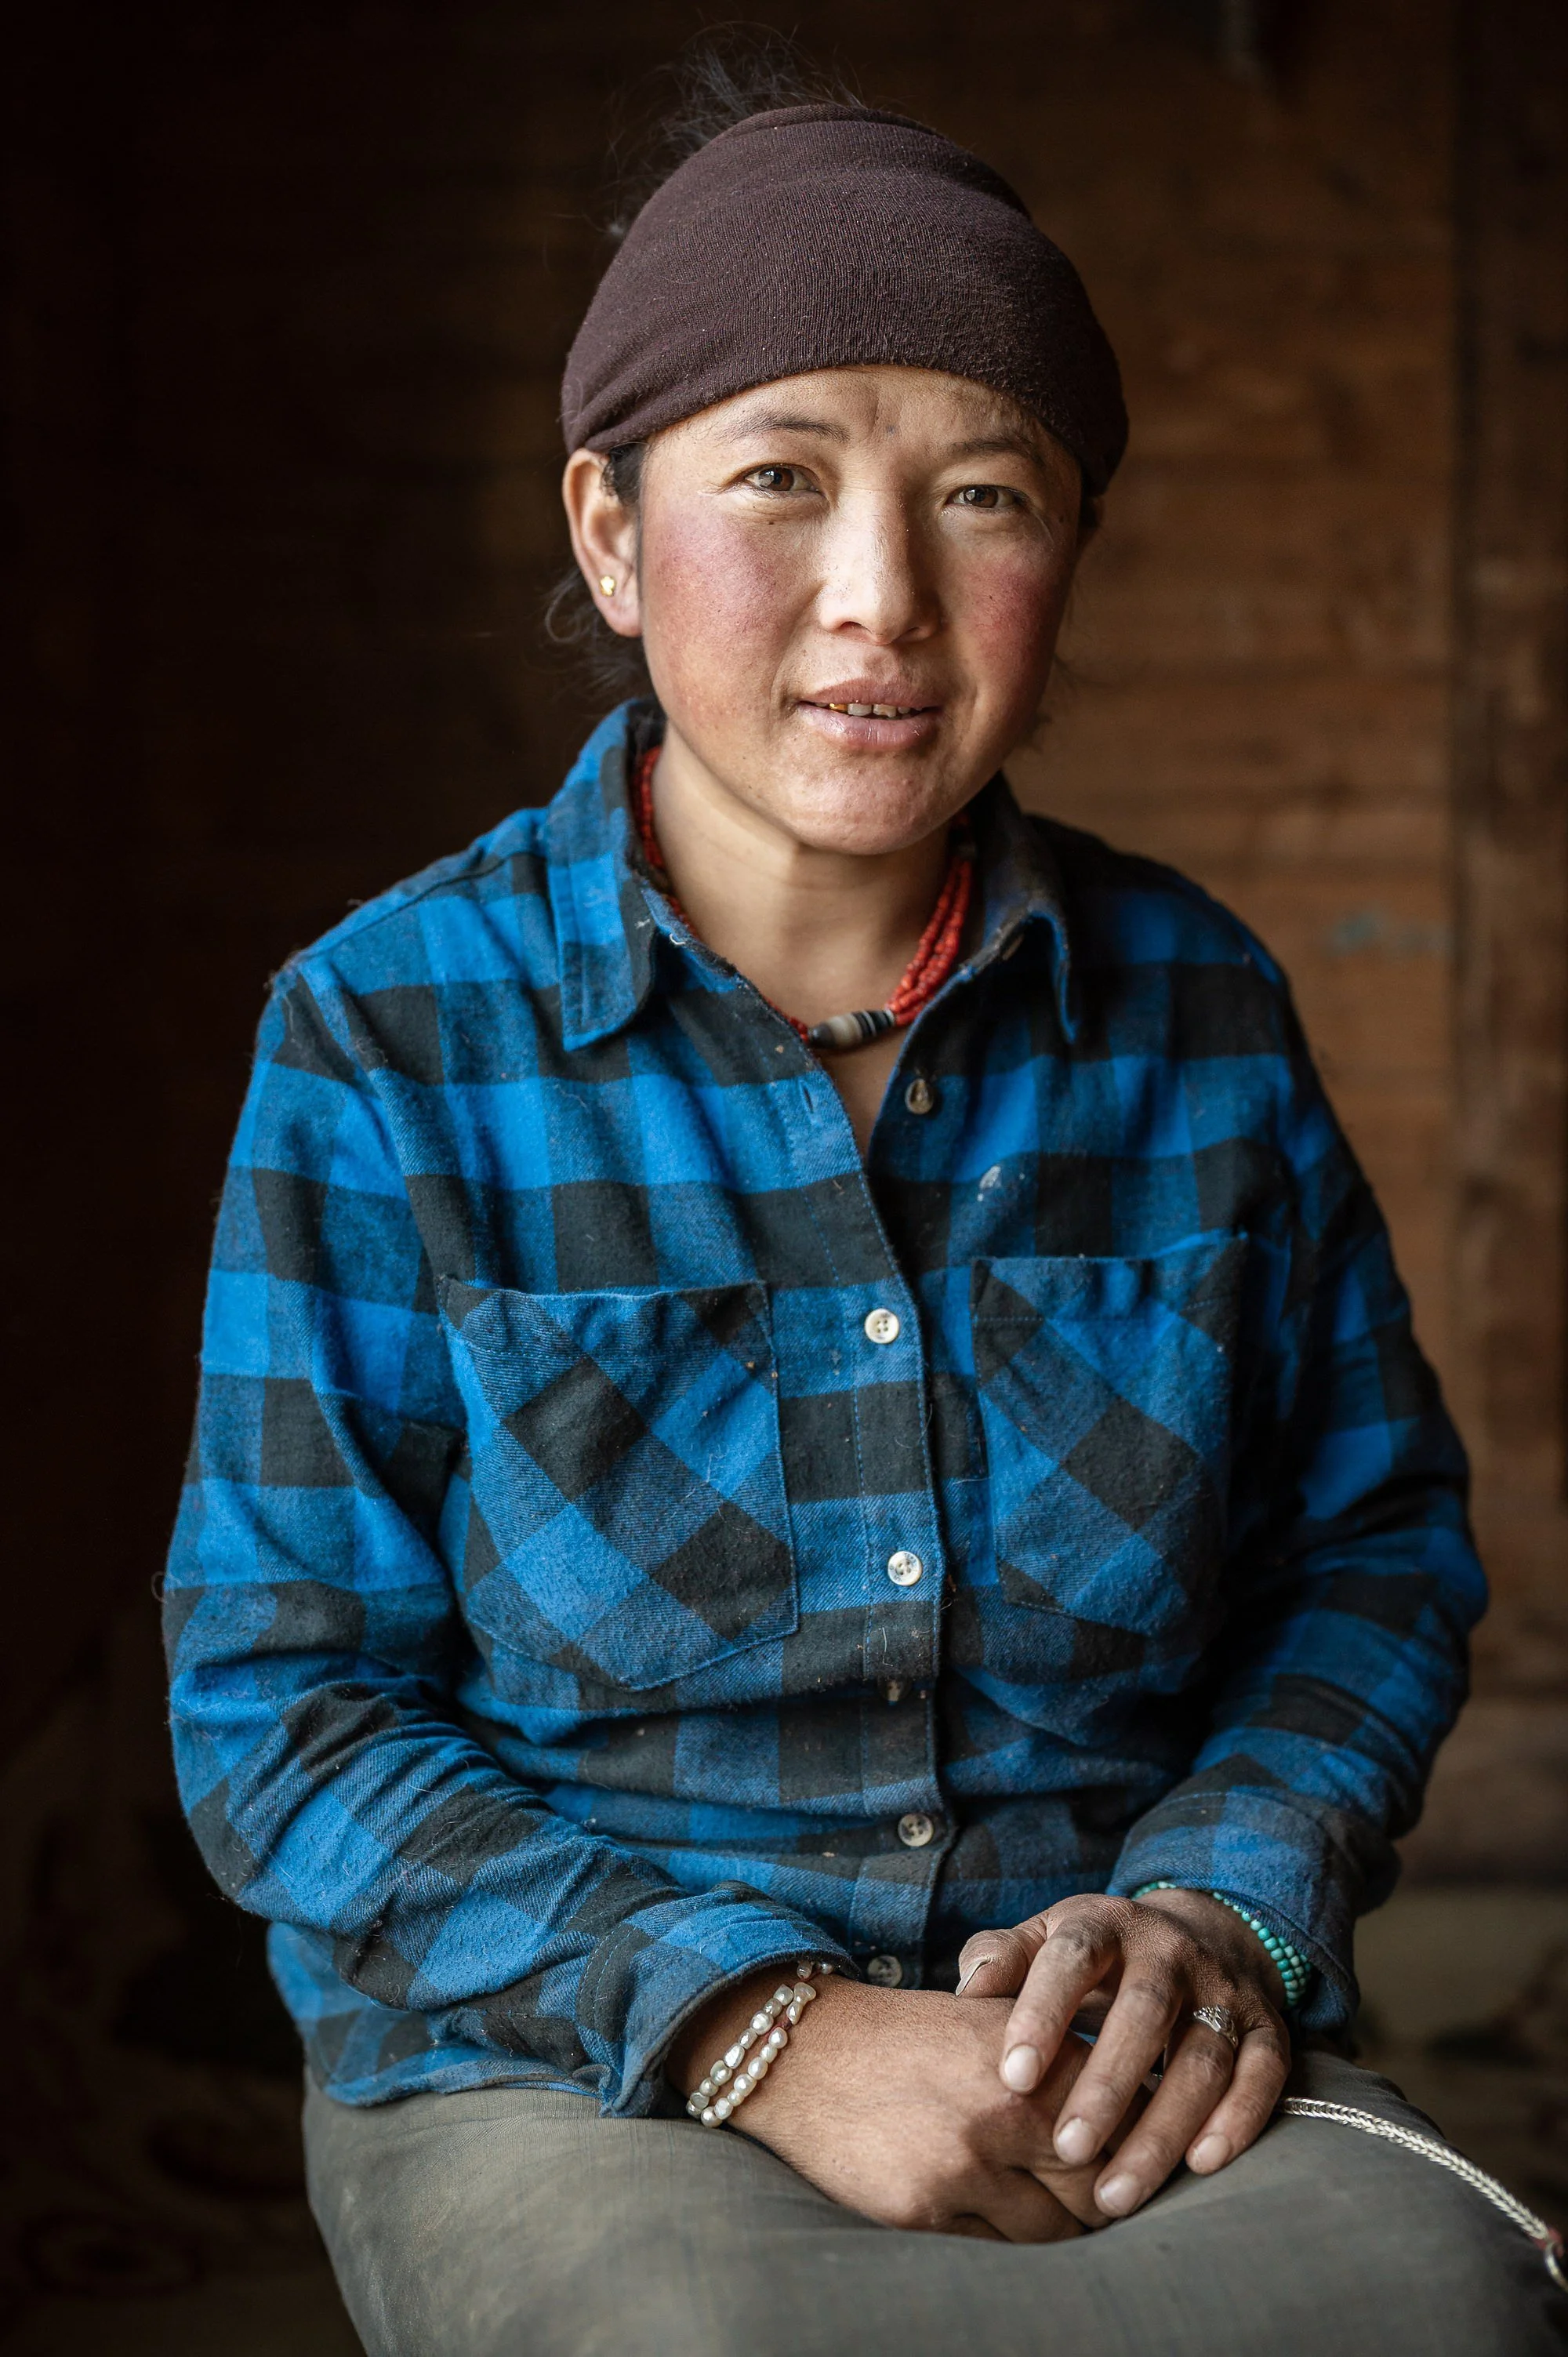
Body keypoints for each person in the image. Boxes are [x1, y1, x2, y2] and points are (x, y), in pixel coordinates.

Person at [164, 54, 1566, 2357]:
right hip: (576, 2055)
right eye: (780, 479)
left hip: (1113, 2044)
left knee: (1449, 2304)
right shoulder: (388, 1036)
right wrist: (768, 2031)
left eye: (983, 494)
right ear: (611, 533)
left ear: (1070, 552)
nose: (880, 596)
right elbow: (282, 1704)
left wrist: (1217, 1920)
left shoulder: (1199, 1008)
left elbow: (1373, 1550)